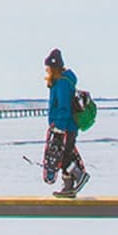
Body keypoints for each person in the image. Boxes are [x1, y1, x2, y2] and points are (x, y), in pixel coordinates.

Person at [43, 48, 89, 198]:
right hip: (65, 126)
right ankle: (68, 186)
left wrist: (59, 127)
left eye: (49, 67)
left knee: (63, 158)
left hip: (65, 127)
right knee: (65, 155)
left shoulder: (62, 83)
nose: (47, 70)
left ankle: (79, 175)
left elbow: (63, 107)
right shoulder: (60, 81)